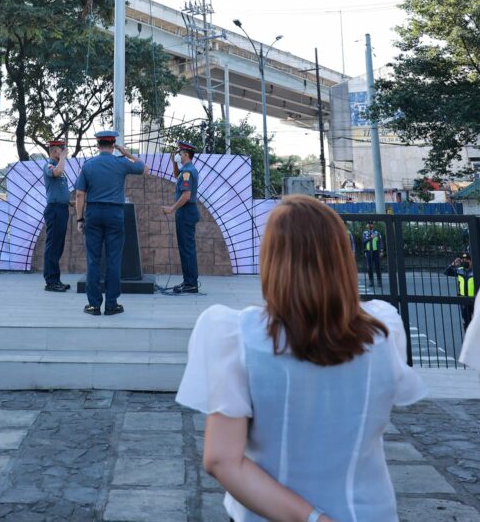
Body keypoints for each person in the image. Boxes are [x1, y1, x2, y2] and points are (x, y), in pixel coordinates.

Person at [177, 195, 425, 522]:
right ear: (343, 255)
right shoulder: (384, 327)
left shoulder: (237, 336)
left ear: (272, 259)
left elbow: (222, 460)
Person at [75, 129, 147, 317]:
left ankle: (94, 305)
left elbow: (80, 194)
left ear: (98, 145)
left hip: (93, 213)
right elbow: (144, 168)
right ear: (113, 145)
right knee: (114, 260)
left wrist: (80, 219)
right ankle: (111, 305)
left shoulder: (88, 165)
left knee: (93, 260)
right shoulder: (121, 163)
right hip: (115, 213)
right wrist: (126, 153)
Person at [162, 140, 200, 293]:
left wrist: (171, 209)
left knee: (187, 249)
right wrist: (174, 163)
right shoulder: (186, 170)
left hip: (186, 212)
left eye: (179, 153)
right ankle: (189, 282)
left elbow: (186, 195)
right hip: (186, 212)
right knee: (186, 248)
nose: (177, 155)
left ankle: (191, 284)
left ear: (186, 155)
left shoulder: (187, 172)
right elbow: (176, 174)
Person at [42, 138, 71, 292]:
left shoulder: (58, 165)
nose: (64, 151)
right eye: (62, 149)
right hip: (54, 210)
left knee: (58, 246)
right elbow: (57, 173)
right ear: (54, 150)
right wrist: (63, 157)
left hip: (61, 209)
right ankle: (51, 282)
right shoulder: (49, 165)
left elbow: (58, 189)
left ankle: (56, 279)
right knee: (53, 246)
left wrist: (69, 201)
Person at [445, 252, 475, 330]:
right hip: (463, 299)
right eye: (463, 260)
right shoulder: (459, 270)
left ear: (471, 261)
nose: (464, 261)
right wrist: (453, 264)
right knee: (466, 321)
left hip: (475, 299)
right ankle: (468, 336)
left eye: (467, 260)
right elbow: (447, 272)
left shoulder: (476, 270)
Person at [362, 220, 383, 289]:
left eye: (371, 224)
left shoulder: (377, 233)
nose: (370, 225)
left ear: (373, 225)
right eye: (368, 224)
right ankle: (371, 281)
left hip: (376, 252)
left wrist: (381, 250)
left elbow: (380, 242)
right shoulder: (365, 233)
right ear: (367, 225)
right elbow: (364, 242)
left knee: (377, 267)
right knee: (369, 267)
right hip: (368, 252)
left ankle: (379, 281)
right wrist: (371, 237)